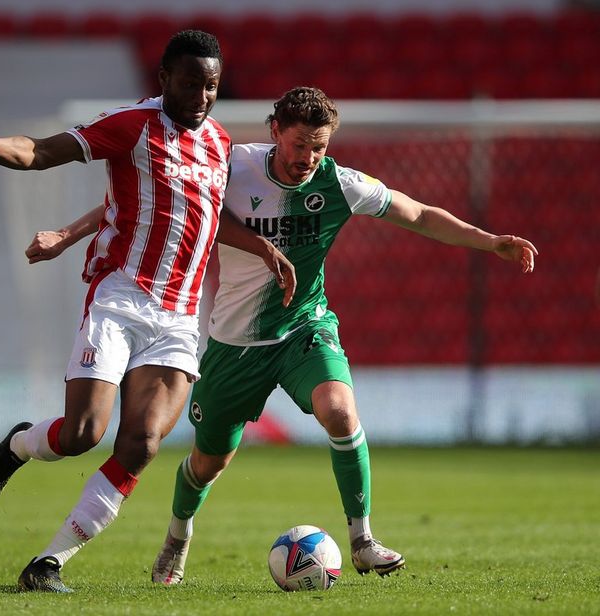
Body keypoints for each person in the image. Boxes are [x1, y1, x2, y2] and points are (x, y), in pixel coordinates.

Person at [33, 86, 538, 583]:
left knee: (339, 410)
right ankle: (178, 534)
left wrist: (491, 241)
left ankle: (362, 540)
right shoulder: (230, 166)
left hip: (304, 327)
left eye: (319, 147)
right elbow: (142, 201)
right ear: (275, 132)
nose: (309, 158)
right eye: (300, 145)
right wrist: (64, 235)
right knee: (209, 462)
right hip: (234, 346)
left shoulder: (340, 183)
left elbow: (419, 213)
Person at [0, 30, 294, 593]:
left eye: (212, 86)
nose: (201, 95)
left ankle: (47, 564)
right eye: (192, 82)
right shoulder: (132, 126)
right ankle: (19, 445)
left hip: (177, 318)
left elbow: (201, 214)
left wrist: (263, 248)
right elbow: (41, 151)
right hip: (120, 297)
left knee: (142, 444)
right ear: (164, 79)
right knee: (81, 434)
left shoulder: (218, 143)